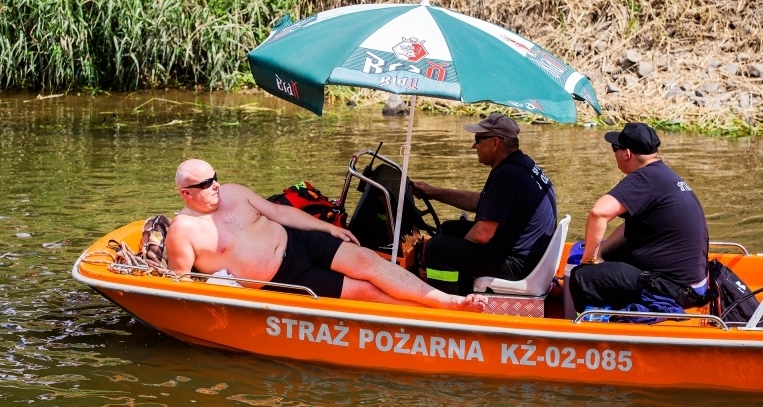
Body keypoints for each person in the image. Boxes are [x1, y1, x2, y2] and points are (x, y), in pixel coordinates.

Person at [164, 159, 487, 312]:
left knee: (366, 260)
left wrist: (329, 227)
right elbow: (181, 287)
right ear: (186, 194)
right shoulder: (183, 232)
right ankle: (430, 314)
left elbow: (281, 212)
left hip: (298, 239)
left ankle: (449, 301)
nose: (215, 185)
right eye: (205, 184)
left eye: (215, 177)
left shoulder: (233, 193)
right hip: (285, 276)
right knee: (365, 290)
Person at [569, 122, 709, 313]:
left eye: (615, 149)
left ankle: (586, 324)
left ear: (627, 154)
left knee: (581, 276)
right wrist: (601, 252)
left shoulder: (644, 179)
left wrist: (589, 260)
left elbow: (598, 213)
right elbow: (629, 228)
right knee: (603, 253)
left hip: (674, 288)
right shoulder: (664, 175)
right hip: (690, 282)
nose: (614, 155)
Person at [412, 113, 557, 295]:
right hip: (530, 257)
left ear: (495, 143)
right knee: (449, 229)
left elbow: (482, 235)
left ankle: (449, 306)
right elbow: (480, 201)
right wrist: (433, 192)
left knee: (438, 248)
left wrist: (457, 253)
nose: (474, 146)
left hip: (518, 265)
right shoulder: (520, 165)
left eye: (478, 139)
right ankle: (462, 290)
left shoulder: (506, 176)